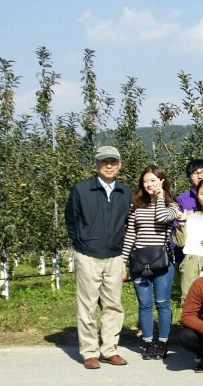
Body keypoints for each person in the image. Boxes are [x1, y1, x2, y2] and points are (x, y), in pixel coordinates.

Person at [65, 146, 132, 369]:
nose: (109, 166)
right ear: (96, 164)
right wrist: (82, 242)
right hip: (88, 255)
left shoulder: (124, 191)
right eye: (104, 162)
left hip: (114, 256)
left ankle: (109, 349)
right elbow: (71, 220)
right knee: (88, 305)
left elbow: (127, 223)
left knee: (113, 305)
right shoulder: (81, 190)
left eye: (113, 162)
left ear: (119, 165)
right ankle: (90, 352)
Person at [122, 165, 183, 360]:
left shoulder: (172, 206)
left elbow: (161, 217)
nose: (149, 184)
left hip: (162, 261)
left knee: (162, 303)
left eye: (153, 181)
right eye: (145, 181)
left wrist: (160, 197)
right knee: (144, 304)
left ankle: (163, 342)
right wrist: (122, 261)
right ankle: (148, 342)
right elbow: (130, 234)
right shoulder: (136, 206)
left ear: (162, 182)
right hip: (139, 261)